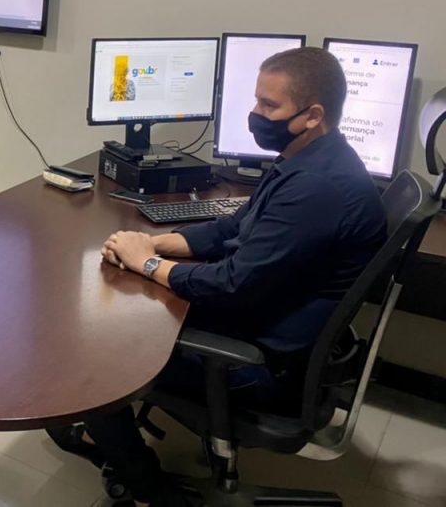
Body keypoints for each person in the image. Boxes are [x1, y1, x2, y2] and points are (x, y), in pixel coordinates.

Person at [49, 47, 387, 507]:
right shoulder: (311, 160)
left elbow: (232, 284)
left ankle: (148, 490)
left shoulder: (316, 189)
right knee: (120, 309)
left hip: (261, 363)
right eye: (256, 100)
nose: (255, 113)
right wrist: (155, 243)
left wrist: (147, 265)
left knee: (94, 354)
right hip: (270, 327)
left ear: (312, 115)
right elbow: (234, 227)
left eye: (269, 105)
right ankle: (106, 437)